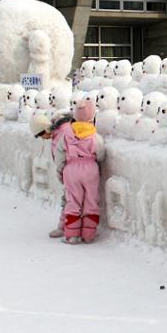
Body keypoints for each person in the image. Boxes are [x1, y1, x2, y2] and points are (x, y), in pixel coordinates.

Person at [54, 98, 105, 244]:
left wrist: (61, 169)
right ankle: (88, 235)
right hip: (90, 168)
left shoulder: (68, 133)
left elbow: (59, 152)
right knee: (91, 201)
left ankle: (72, 235)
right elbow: (100, 153)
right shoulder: (95, 135)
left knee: (73, 201)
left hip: (71, 168)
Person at [30, 112, 67, 239]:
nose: (42, 138)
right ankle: (70, 228)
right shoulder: (58, 133)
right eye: (38, 136)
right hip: (70, 172)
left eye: (41, 134)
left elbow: (62, 157)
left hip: (70, 171)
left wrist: (61, 172)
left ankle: (68, 228)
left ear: (46, 128)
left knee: (68, 201)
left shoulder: (61, 134)